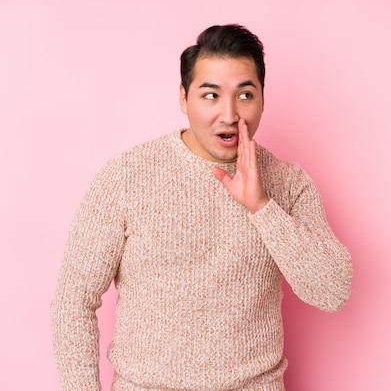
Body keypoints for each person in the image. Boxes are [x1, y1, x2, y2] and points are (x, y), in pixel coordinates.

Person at [50, 24, 352, 391]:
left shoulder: (287, 183)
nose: (228, 114)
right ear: (184, 98)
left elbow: (332, 291)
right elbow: (73, 302)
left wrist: (261, 207)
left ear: (262, 99)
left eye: (245, 95)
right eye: (210, 95)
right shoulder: (127, 176)